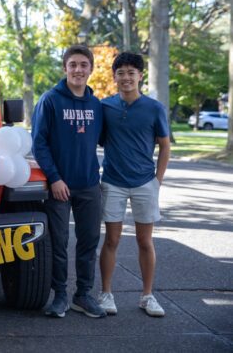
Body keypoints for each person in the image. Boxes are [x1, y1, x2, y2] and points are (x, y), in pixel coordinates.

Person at [31, 44, 106, 318]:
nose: (78, 69)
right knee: (59, 242)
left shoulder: (96, 105)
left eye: (83, 65)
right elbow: (39, 143)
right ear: (65, 68)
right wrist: (54, 178)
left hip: (88, 184)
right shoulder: (50, 100)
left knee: (89, 242)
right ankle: (60, 295)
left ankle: (83, 295)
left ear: (90, 69)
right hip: (59, 186)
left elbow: (103, 139)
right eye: (73, 64)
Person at [98, 52, 171, 317]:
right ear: (114, 77)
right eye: (121, 73)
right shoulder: (105, 106)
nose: (126, 77)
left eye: (131, 72)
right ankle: (106, 294)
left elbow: (165, 146)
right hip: (113, 182)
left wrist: (157, 181)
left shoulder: (154, 108)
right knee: (112, 239)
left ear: (140, 76)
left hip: (144, 183)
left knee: (144, 241)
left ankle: (147, 296)